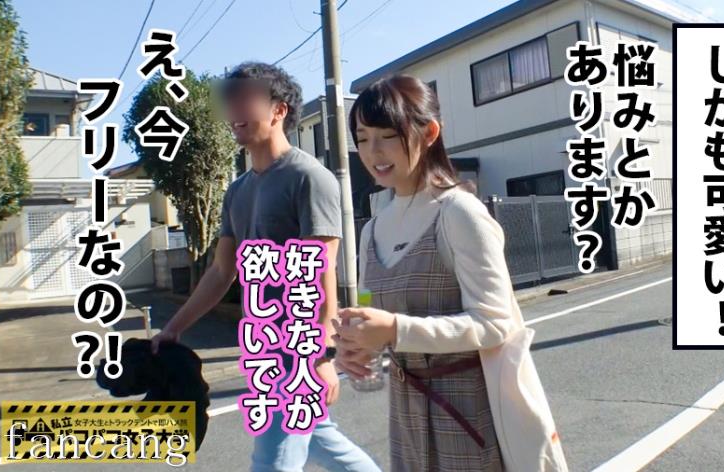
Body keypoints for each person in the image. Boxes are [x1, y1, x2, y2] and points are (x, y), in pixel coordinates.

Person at [151, 61, 380, 472]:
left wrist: (321, 357)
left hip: (298, 352)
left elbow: (320, 272)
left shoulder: (309, 178)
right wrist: (175, 327)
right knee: (323, 442)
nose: (234, 111)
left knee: (273, 462)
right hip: (265, 348)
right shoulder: (237, 191)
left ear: (278, 110)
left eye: (245, 100)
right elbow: (221, 272)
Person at [333, 75, 568, 471]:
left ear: (429, 133)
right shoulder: (372, 229)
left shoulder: (458, 212)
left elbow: (495, 323)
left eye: (388, 136)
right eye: (362, 138)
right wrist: (359, 343)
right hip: (405, 414)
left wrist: (394, 329)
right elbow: (371, 303)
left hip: (467, 412)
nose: (374, 152)